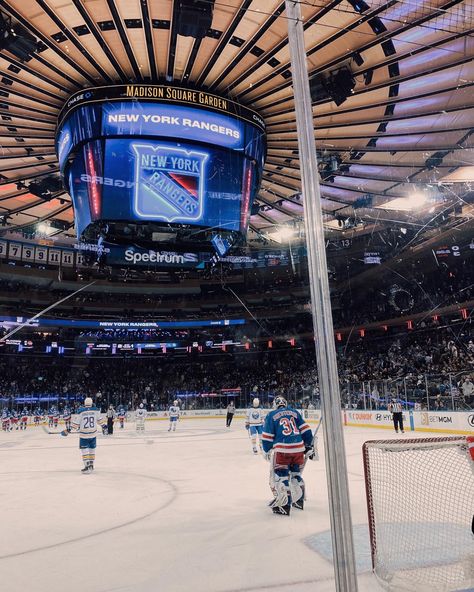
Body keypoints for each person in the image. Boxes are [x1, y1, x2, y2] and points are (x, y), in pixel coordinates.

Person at [262, 396, 313, 515]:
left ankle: (284, 506)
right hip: (299, 448)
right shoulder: (294, 412)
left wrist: (267, 450)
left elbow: (267, 437)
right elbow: (306, 430)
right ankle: (298, 501)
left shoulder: (271, 415)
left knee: (281, 476)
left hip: (283, 449)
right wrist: (308, 445)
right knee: (295, 474)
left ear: (274, 405)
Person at [66, 397, 106, 473]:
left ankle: (87, 466)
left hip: (84, 435)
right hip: (93, 434)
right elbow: (100, 420)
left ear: (85, 403)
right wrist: (104, 426)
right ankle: (91, 465)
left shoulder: (81, 411)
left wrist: (69, 429)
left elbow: (76, 423)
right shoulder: (96, 410)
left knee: (85, 451)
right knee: (92, 450)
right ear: (91, 403)